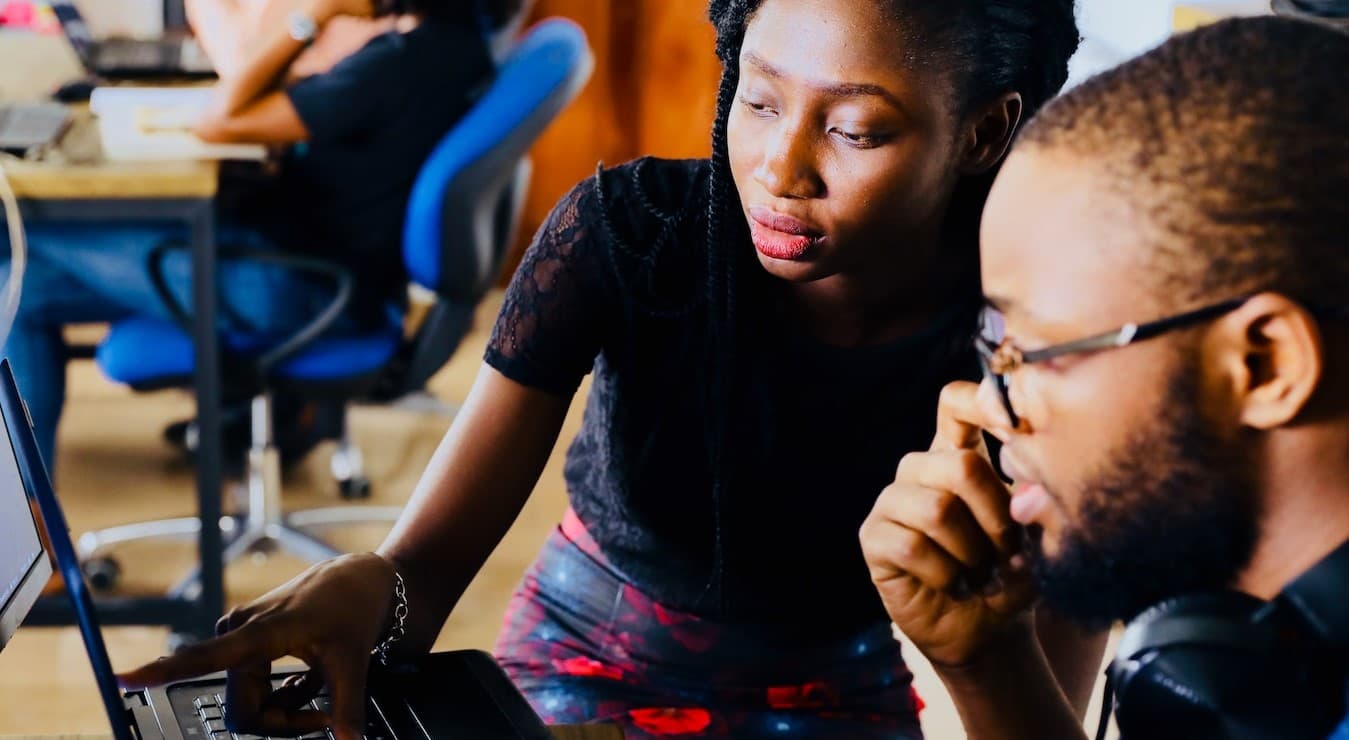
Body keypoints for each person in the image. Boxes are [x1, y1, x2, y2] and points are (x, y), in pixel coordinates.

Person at [118, 1, 1100, 738]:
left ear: (979, 131)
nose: (777, 167)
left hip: (835, 696)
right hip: (579, 659)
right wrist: (371, 588)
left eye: (850, 129)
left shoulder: (1035, 346)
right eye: (756, 101)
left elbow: (1043, 705)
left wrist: (984, 650)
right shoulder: (631, 237)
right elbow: (422, 572)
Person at [859, 15, 1349, 740]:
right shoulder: (1253, 669)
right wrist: (990, 666)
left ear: (1263, 364)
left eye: (1038, 350)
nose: (983, 406)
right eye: (994, 345)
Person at [0, 0, 496, 470]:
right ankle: (37, 515)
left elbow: (222, 119)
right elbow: (295, 94)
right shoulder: (457, 47)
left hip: (296, 287)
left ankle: (33, 521)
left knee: (17, 244)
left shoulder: (396, 67)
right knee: (18, 290)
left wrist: (311, 16)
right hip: (318, 270)